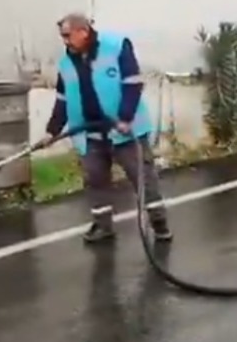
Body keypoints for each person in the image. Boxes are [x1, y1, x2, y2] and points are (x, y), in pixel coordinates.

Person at [43, 13, 174, 244]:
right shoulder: (65, 64)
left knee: (143, 179)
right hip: (89, 134)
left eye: (67, 35)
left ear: (83, 31)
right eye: (62, 36)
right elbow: (63, 99)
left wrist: (124, 117)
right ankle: (103, 226)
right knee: (96, 181)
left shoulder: (116, 47)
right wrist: (51, 131)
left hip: (124, 131)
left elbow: (132, 83)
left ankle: (159, 223)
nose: (64, 41)